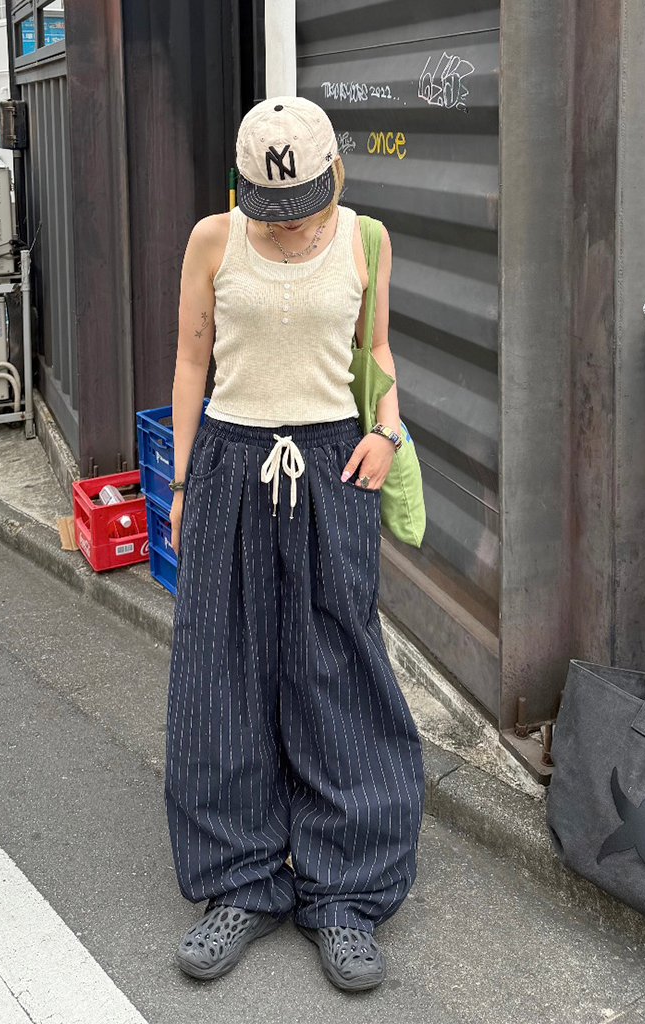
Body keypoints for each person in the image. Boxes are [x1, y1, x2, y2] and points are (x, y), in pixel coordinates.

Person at [165, 95, 424, 992]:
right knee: (221, 670)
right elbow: (191, 361)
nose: (283, 222)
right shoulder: (212, 240)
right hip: (230, 462)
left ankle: (345, 893)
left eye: (299, 205)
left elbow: (377, 351)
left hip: (331, 464)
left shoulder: (366, 240)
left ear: (332, 177)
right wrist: (182, 485)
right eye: (268, 207)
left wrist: (386, 431)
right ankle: (240, 883)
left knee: (337, 668)